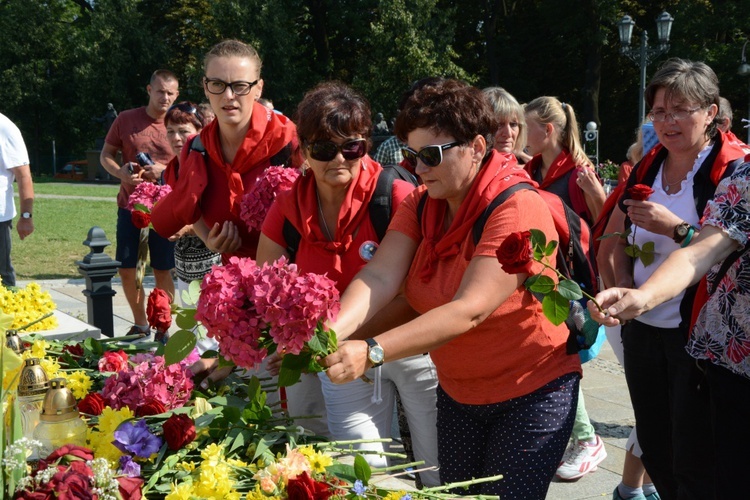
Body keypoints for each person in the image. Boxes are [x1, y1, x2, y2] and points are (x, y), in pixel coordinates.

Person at [321, 79, 581, 499]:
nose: (418, 169)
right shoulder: (422, 203)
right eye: (411, 154)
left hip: (531, 393)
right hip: (460, 393)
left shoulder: (517, 206)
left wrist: (371, 351)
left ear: (477, 147)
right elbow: (380, 277)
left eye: (430, 155)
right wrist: (332, 333)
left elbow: (470, 309)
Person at [257, 81, 439, 485]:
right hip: (339, 355)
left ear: (366, 145)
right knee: (363, 470)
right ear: (304, 151)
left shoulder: (396, 193)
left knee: (435, 467)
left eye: (352, 146)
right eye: (323, 148)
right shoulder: (288, 205)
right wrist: (287, 340)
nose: (339, 158)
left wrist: (342, 340)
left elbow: (417, 290)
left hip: (408, 345)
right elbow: (266, 286)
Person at [600, 58, 746, 500]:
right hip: (643, 328)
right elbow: (613, 231)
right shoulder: (648, 165)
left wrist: (674, 228)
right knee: (655, 441)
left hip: (698, 334)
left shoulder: (731, 168)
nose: (667, 121)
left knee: (696, 453)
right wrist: (627, 285)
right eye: (659, 112)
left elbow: (709, 250)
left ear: (710, 112)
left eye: (680, 109)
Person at [151, 39, 301, 260]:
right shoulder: (196, 148)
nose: (228, 96)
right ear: (205, 86)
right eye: (218, 84)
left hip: (294, 281)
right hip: (235, 281)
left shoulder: (291, 142)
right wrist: (208, 239)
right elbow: (192, 208)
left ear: (258, 88)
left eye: (240, 85)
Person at [523, 96, 608, 481]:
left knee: (559, 361)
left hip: (569, 285)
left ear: (548, 130)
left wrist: (597, 195)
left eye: (526, 127)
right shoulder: (534, 168)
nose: (520, 135)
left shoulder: (577, 171)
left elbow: (604, 223)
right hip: (539, 278)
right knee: (553, 360)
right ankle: (578, 438)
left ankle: (587, 440)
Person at [100, 69, 179, 336]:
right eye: (160, 91)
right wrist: (120, 172)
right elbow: (106, 155)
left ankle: (163, 325)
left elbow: (193, 165)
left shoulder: (180, 123)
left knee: (162, 270)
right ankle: (141, 324)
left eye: (170, 93)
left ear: (177, 94)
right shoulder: (126, 119)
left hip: (166, 211)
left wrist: (164, 171)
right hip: (130, 208)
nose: (165, 97)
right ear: (149, 90)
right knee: (127, 270)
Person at [160, 102, 221, 314]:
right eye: (170, 132)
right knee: (191, 324)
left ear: (199, 133)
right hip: (184, 263)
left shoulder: (209, 168)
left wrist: (185, 227)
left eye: (183, 131)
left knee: (211, 329)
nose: (176, 138)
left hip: (211, 261)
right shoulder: (170, 170)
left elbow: (219, 216)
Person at [524, 97, 606, 222]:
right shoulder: (530, 171)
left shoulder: (581, 175)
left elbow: (601, 227)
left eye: (527, 130)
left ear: (547, 130)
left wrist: (598, 196)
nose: (522, 137)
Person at [0, 113, 34, 287]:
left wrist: (26, 216)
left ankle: (8, 312)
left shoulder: (5, 128)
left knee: (2, 274)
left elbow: (23, 176)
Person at [483, 87, 532, 163]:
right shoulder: (466, 171)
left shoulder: (527, 171)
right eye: (499, 125)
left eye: (513, 124)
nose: (508, 133)